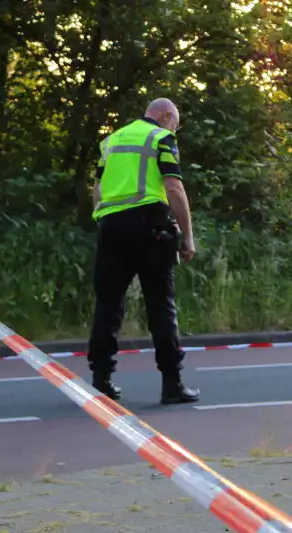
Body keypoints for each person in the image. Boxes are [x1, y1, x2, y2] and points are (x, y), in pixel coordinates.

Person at [86, 97, 200, 404]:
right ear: (165, 116)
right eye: (175, 123)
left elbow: (97, 187)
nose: (175, 129)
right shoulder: (162, 138)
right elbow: (173, 187)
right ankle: (172, 384)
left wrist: (104, 219)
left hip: (111, 228)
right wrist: (188, 236)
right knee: (160, 305)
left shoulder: (111, 140)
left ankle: (101, 380)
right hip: (150, 227)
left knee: (108, 304)